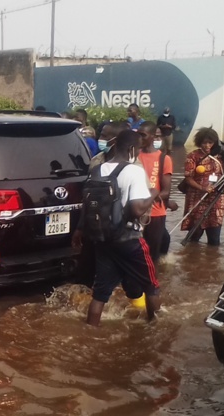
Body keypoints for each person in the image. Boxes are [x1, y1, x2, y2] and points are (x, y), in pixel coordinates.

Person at [72, 130, 162, 324]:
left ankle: (90, 331)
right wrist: (154, 193)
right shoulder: (134, 171)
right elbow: (138, 209)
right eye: (137, 149)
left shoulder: (97, 169)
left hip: (102, 239)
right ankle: (157, 333)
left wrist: (79, 230)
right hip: (129, 240)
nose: (138, 153)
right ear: (131, 149)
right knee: (152, 285)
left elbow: (87, 204)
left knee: (100, 294)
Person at [181, 127, 224, 245]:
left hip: (216, 198)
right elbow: (188, 178)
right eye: (204, 143)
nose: (207, 145)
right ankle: (191, 258)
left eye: (210, 143)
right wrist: (202, 188)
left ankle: (212, 260)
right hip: (197, 198)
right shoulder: (193, 156)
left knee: (214, 237)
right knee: (195, 235)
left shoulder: (221, 156)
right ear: (199, 142)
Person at [137, 121, 172, 263]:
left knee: (152, 257)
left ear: (152, 136)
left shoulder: (164, 159)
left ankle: (153, 284)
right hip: (135, 212)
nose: (139, 138)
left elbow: (166, 191)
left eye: (143, 135)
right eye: (138, 135)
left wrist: (147, 200)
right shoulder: (133, 156)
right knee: (136, 254)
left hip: (155, 214)